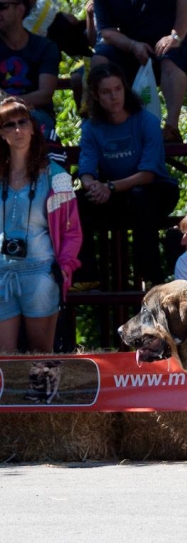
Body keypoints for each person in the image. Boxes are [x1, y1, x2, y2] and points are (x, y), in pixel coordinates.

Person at [75, 63, 179, 288]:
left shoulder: (147, 121)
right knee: (77, 201)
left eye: (118, 89)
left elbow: (148, 174)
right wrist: (92, 186)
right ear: (96, 95)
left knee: (143, 196)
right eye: (106, 91)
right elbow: (86, 170)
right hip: (115, 195)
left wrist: (109, 187)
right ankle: (86, 275)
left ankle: (151, 276)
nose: (114, 96)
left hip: (155, 190)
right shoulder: (91, 128)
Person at [0, 97, 81, 352]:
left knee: (41, 355)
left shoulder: (56, 175)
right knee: (4, 359)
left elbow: (72, 231)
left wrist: (65, 267)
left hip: (40, 272)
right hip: (1, 274)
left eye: (22, 122)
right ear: (1, 134)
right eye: (8, 125)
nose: (17, 130)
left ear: (33, 127)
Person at [92, 0, 187, 143]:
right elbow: (106, 31)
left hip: (173, 39)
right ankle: (110, 126)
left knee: (169, 60)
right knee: (100, 61)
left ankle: (171, 127)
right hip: (129, 45)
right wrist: (132, 46)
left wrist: (176, 36)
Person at [0, 0, 60, 138]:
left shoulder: (45, 47)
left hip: (36, 113)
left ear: (20, 10)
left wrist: (9, 104)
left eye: (2, 7)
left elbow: (44, 95)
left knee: (28, 122)